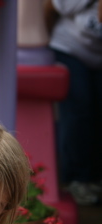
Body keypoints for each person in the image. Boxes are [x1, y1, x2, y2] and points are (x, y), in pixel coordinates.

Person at [46, 0, 102, 205]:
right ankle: (77, 178)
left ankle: (94, 177)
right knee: (79, 109)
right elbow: (56, 6)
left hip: (97, 54)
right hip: (69, 48)